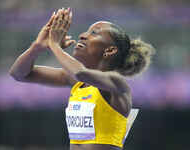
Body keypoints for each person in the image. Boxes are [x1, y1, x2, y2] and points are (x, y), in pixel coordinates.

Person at [9, 7, 155, 150]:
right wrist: (37, 47)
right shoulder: (77, 82)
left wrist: (54, 45)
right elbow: (19, 74)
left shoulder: (116, 83)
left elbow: (80, 72)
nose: (83, 35)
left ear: (110, 50)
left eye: (94, 33)